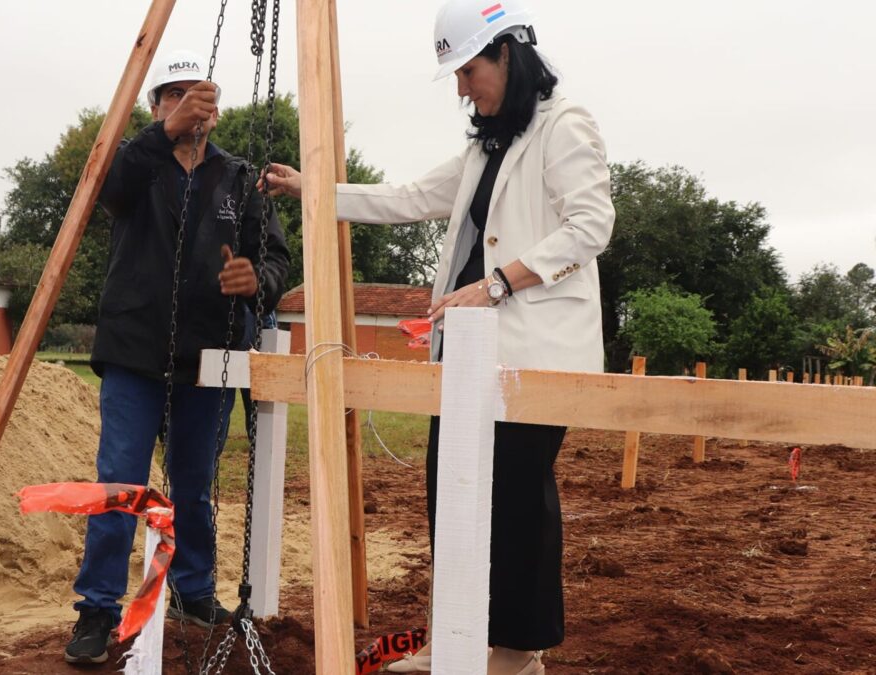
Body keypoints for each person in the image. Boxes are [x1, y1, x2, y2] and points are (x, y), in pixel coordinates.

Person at [262, 0, 614, 671]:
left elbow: (592, 225)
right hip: (471, 358)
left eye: (468, 70)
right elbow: (408, 197)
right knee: (450, 490)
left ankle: (516, 651)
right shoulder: (489, 144)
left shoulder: (564, 127)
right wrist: (316, 190)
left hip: (537, 354)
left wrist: (499, 282)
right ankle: (456, 635)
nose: (461, 88)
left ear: (508, 55)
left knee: (515, 500)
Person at [65, 49, 290, 666]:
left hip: (208, 355)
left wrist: (258, 281)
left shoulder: (238, 178)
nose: (191, 105)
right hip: (135, 352)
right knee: (120, 484)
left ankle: (193, 591)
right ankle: (97, 610)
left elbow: (275, 256)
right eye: (175, 95)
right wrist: (161, 135)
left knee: (193, 486)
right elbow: (106, 193)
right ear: (156, 104)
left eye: (201, 95)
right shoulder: (136, 164)